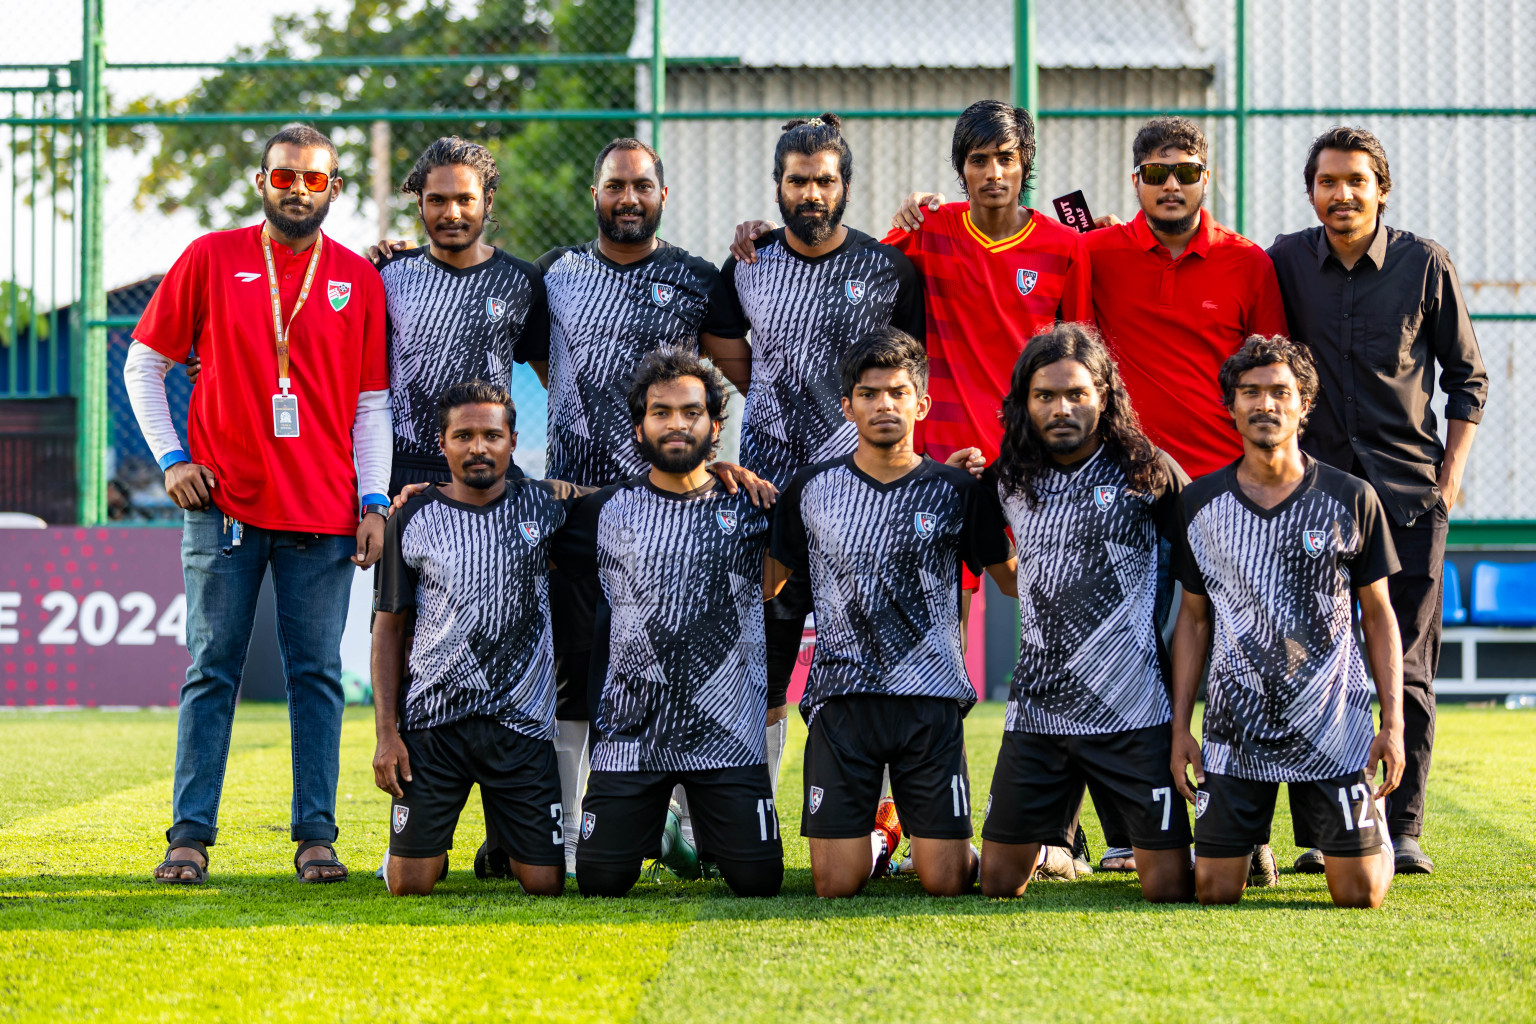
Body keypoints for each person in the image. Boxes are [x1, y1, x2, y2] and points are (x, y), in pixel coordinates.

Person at [124, 124, 391, 884]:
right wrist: (172, 459)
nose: (298, 190)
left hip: (325, 514)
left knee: (316, 677)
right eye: (284, 177)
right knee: (212, 669)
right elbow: (145, 366)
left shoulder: (357, 279)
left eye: (313, 179)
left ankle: (316, 839)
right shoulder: (211, 257)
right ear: (261, 183)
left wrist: (372, 497)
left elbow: (373, 404)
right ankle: (188, 837)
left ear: (334, 188)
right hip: (224, 507)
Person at [1267, 127, 1488, 876]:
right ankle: (1325, 832)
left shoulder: (1425, 264)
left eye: (1356, 181)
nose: (1342, 194)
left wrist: (1450, 472)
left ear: (1381, 189)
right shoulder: (1285, 262)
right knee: (1310, 665)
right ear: (1311, 193)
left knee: (1409, 671)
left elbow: (1469, 379)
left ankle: (1404, 825)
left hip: (1407, 496)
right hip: (1313, 503)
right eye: (1328, 182)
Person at [1082, 115, 1289, 879]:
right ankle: (1132, 830)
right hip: (1129, 491)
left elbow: (1276, 374)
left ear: (1207, 178)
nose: (1173, 185)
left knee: (1241, 657)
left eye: (1187, 171)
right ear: (1133, 181)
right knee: (1125, 654)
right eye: (1157, 172)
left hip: (1224, 494)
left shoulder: (1247, 262)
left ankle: (1244, 825)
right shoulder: (1097, 251)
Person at [717, 113, 927, 796]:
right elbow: (725, 349)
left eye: (825, 181)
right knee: (767, 655)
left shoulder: (889, 269)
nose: (812, 193)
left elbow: (907, 376)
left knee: (873, 657)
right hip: (767, 491)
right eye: (798, 180)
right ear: (778, 184)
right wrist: (781, 399)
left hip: (860, 497)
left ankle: (887, 821)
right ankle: (755, 812)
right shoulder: (748, 264)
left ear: (845, 186)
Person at [771, 328, 1015, 898]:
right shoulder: (809, 489)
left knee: (946, 882)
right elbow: (768, 586)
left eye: (898, 393)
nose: (884, 405)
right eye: (870, 393)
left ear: (921, 403)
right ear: (847, 405)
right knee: (835, 885)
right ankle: (882, 840)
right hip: (841, 701)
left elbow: (1011, 581)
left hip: (928, 702)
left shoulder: (957, 489)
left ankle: (943, 844)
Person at [1169, 335, 1405, 909]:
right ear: (1231, 406)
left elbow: (1379, 616)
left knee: (1360, 895)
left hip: (1333, 726)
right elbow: (1194, 622)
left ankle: (1374, 841)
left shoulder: (1352, 498)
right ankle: (1244, 845)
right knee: (1214, 891)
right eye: (1250, 392)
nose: (1265, 405)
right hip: (1236, 725)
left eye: (1281, 392)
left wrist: (1393, 722)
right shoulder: (1199, 504)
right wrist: (1180, 729)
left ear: (1304, 404)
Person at [550, 350, 784, 898]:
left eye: (691, 412)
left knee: (758, 881)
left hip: (727, 734)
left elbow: (779, 581)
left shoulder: (755, 506)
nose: (677, 423)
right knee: (602, 884)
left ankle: (680, 830)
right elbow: (505, 504)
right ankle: (658, 825)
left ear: (715, 426)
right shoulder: (603, 510)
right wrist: (424, 494)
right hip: (632, 735)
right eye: (661, 412)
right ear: (639, 427)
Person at [975, 323, 1193, 901]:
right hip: (1039, 713)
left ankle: (1233, 842)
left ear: (1104, 393)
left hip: (1133, 712)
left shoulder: (1148, 472)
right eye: (1045, 396)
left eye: (1076, 394)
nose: (1061, 408)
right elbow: (991, 559)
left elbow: (1204, 569)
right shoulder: (1006, 480)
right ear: (1025, 401)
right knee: (997, 882)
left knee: (1168, 887)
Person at [372, 381, 577, 897]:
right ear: (442, 444)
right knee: (408, 885)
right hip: (435, 727)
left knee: (545, 885)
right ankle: (431, 848)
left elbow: (639, 496)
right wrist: (386, 734)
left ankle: (504, 841)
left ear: (512, 440)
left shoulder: (546, 504)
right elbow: (389, 626)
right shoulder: (411, 514)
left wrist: (709, 473)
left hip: (521, 727)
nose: (478, 447)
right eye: (463, 436)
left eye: (491, 435)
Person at [884, 99, 1092, 465]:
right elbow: (850, 263)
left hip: (1029, 451)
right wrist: (772, 239)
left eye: (1006, 159)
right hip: (943, 451)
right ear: (961, 170)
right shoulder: (928, 230)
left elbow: (1082, 359)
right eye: (978, 160)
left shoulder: (1065, 247)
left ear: (1024, 166)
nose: (993, 172)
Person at [377, 137, 548, 496]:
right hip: (403, 472)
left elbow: (553, 379)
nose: (451, 213)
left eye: (464, 199)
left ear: (486, 202)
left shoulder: (521, 280)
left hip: (488, 472)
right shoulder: (387, 273)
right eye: (437, 199)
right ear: (420, 203)